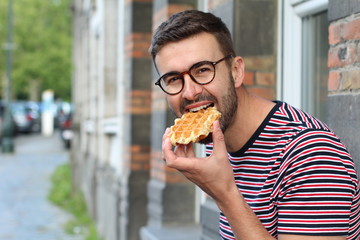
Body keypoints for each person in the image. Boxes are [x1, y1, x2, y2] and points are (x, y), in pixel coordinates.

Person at [150, 10, 360, 240]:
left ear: (236, 71)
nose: (190, 92)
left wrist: (225, 194)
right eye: (173, 79)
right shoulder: (218, 140)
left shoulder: (310, 153)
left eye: (202, 70)